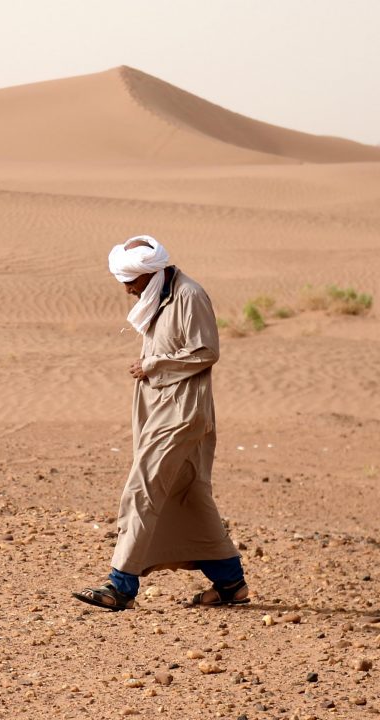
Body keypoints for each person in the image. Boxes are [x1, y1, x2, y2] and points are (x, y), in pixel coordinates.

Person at [72, 235, 249, 611]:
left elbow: (206, 351)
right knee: (188, 495)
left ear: (152, 273)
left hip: (183, 412)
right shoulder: (159, 295)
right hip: (161, 408)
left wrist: (152, 365)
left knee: (142, 488)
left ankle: (120, 586)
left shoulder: (189, 295)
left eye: (131, 281)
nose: (126, 290)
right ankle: (230, 582)